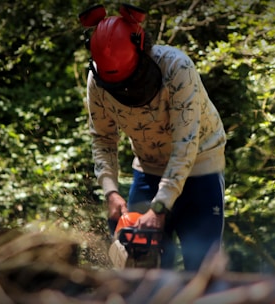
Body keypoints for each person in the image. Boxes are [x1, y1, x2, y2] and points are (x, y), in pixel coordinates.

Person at [78, 3, 226, 271]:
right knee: (138, 262)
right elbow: (103, 139)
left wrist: (160, 207)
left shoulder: (177, 69)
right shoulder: (97, 80)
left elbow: (185, 145)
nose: (124, 90)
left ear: (142, 49)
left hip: (199, 167)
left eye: (130, 81)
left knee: (202, 268)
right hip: (148, 168)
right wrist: (110, 191)